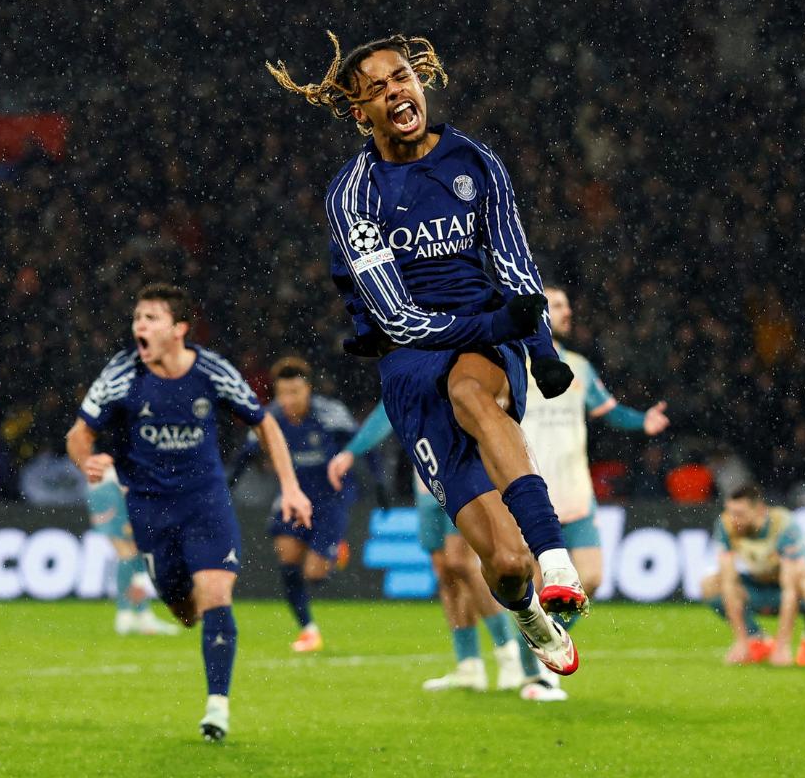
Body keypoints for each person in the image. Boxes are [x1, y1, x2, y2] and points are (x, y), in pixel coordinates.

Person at [269, 31, 584, 676]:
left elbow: (515, 263)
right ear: (361, 112)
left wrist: (540, 347)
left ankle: (556, 558)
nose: (396, 92)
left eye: (401, 78)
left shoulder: (474, 161)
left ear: (420, 84)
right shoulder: (353, 194)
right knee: (500, 562)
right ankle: (527, 612)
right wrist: (502, 317)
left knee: (474, 394)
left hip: (482, 340)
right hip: (410, 365)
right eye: (377, 89)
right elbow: (396, 318)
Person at [66, 283, 312, 742]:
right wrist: (88, 461)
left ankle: (217, 707)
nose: (139, 326)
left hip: (206, 503)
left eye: (151, 318)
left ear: (178, 329)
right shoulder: (121, 372)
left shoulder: (213, 371)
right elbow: (78, 434)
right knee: (184, 610)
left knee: (216, 592)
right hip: (149, 509)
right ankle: (206, 638)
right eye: (137, 317)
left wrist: (291, 487)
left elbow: (266, 425)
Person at [515, 285, 670, 700]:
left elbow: (608, 409)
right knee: (530, 588)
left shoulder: (579, 367)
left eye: (567, 303)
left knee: (592, 578)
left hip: (576, 490)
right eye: (558, 305)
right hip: (530, 491)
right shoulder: (514, 361)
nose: (568, 311)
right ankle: (538, 670)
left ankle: (540, 650)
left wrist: (643, 423)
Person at [328, 402, 524, 692]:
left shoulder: (452, 367)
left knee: (461, 563)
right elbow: (386, 413)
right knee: (445, 572)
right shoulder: (407, 374)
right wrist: (351, 451)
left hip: (463, 479)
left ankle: (509, 656)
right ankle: (469, 666)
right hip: (427, 485)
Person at [227, 357, 359, 653]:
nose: (288, 399)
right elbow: (244, 455)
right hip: (293, 496)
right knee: (287, 559)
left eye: (295, 392)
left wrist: (378, 483)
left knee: (314, 573)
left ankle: (334, 550)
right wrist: (227, 488)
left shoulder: (331, 414)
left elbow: (360, 443)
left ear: (308, 389)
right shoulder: (269, 418)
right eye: (283, 393)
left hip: (330, 499)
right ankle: (308, 631)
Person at [700, 484, 805, 667]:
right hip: (760, 583)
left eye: (740, 514)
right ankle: (755, 639)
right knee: (710, 585)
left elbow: (790, 588)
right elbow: (728, 581)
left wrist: (782, 647)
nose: (734, 519)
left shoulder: (783, 525)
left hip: (793, 587)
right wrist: (741, 641)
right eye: (730, 512)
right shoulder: (726, 524)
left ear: (759, 510)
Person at [85, 465, 180, 636]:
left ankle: (141, 616)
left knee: (134, 552)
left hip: (107, 485)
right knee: (127, 552)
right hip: (112, 487)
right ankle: (126, 615)